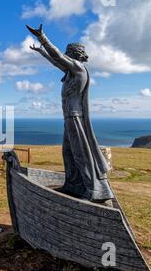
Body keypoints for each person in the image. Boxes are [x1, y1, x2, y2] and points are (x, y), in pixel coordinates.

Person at [27, 24, 114, 205]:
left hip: (75, 117)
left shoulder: (79, 69)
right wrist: (42, 52)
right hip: (69, 118)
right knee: (68, 152)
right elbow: (57, 61)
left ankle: (94, 189)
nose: (65, 56)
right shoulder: (71, 72)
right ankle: (73, 184)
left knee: (80, 153)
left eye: (68, 53)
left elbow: (58, 56)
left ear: (74, 55)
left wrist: (42, 37)